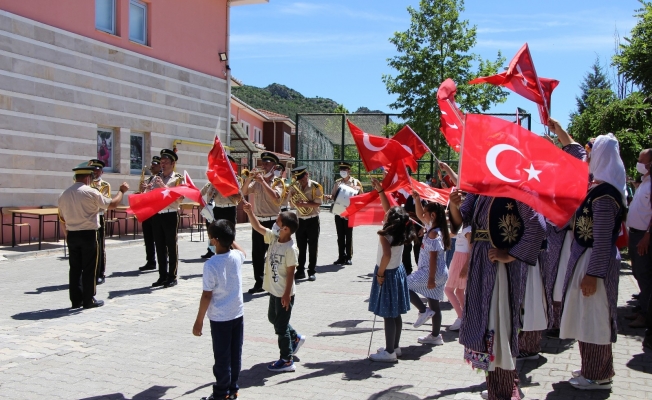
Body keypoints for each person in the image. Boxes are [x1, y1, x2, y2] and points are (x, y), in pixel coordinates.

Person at [449, 190, 545, 400]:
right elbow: (461, 219)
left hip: (500, 270)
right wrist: (453, 204)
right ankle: (500, 388)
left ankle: (504, 390)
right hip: (481, 265)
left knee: (499, 327)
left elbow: (536, 226)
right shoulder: (481, 188)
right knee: (487, 328)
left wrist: (510, 255)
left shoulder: (518, 188)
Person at [559, 133, 627, 390]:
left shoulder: (605, 195)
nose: (587, 157)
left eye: (590, 153)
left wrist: (593, 275)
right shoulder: (599, 188)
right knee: (585, 317)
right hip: (585, 260)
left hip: (593, 263)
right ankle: (592, 368)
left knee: (595, 319)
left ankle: (598, 375)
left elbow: (601, 240)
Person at [242, 201, 306, 372]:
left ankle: (286, 360)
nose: (275, 224)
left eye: (278, 222)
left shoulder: (291, 249)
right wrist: (250, 212)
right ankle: (295, 338)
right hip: (273, 290)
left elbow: (291, 273)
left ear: (286, 228)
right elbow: (259, 227)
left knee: (280, 327)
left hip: (284, 293)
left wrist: (286, 295)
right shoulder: (275, 238)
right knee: (273, 318)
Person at [58, 162, 128, 309]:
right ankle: (89, 299)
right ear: (89, 178)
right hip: (88, 234)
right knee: (90, 267)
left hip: (72, 234)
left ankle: (76, 300)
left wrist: (67, 235)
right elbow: (112, 204)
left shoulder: (64, 194)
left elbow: (62, 218)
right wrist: (121, 191)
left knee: (75, 268)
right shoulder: (91, 192)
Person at [543, 118, 588, 339]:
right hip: (549, 234)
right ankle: (550, 320)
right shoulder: (548, 171)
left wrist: (559, 129)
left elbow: (576, 153)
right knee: (549, 280)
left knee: (561, 280)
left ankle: (560, 322)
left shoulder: (576, 173)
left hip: (566, 235)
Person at [193, 220, 246, 400]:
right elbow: (243, 252)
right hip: (237, 314)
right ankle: (233, 388)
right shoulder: (237, 257)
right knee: (235, 354)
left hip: (220, 318)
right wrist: (231, 240)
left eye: (210, 238)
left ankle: (221, 393)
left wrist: (198, 320)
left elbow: (207, 295)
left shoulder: (211, 265)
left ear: (215, 241)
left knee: (222, 357)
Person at [368, 178, 416, 363]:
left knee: (388, 314)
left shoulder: (385, 234)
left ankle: (389, 353)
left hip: (387, 273)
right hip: (398, 272)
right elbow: (389, 208)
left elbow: (385, 256)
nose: (385, 214)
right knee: (395, 314)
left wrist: (380, 273)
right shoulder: (401, 231)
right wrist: (381, 191)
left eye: (388, 214)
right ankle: (395, 347)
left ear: (391, 220)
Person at [407, 196, 450, 346]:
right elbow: (419, 215)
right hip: (441, 273)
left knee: (403, 285)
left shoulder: (433, 233)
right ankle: (436, 336)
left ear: (432, 215)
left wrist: (431, 278)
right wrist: (417, 200)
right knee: (434, 304)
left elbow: (433, 258)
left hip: (431, 272)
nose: (422, 215)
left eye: (426, 213)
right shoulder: (435, 228)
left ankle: (422, 310)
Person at [241, 152, 285, 294]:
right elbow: (243, 191)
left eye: (267, 164)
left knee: (274, 253)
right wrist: (249, 178)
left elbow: (275, 196)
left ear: (274, 166)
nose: (263, 166)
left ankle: (275, 282)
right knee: (257, 254)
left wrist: (263, 182)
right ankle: (259, 282)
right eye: (263, 163)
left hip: (274, 221)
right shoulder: (257, 181)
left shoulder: (278, 182)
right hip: (259, 221)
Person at [150, 149, 185, 288]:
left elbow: (180, 198)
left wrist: (163, 186)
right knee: (159, 245)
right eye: (161, 162)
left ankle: (172, 276)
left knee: (171, 245)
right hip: (157, 214)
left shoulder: (177, 178)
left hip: (170, 213)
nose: (162, 164)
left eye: (165, 162)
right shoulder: (155, 177)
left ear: (173, 163)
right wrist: (147, 189)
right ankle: (162, 275)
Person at [627, 149, 651, 329]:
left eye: (641, 161)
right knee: (637, 273)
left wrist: (647, 236)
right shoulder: (644, 182)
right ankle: (642, 307)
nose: (639, 163)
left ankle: (645, 315)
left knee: (644, 275)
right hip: (635, 234)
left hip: (643, 237)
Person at [200, 155, 241, 259]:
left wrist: (225, 187)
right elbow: (200, 193)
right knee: (213, 230)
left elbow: (239, 196)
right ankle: (211, 250)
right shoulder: (214, 180)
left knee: (228, 231)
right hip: (215, 208)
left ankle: (230, 251)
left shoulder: (235, 180)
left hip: (229, 208)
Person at [288, 166, 323, 281]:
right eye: (298, 178)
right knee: (300, 247)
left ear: (307, 175)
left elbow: (318, 203)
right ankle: (300, 270)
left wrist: (304, 204)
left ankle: (312, 271)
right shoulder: (295, 186)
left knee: (313, 247)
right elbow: (292, 205)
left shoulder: (315, 186)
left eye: (302, 177)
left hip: (312, 219)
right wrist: (292, 198)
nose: (300, 180)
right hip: (300, 220)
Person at [330, 162, 363, 265]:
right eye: (341, 170)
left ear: (349, 171)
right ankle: (341, 256)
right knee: (340, 236)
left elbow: (361, 196)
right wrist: (329, 197)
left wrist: (357, 190)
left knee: (348, 235)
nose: (342, 172)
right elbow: (333, 196)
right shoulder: (338, 183)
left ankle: (348, 256)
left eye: (345, 170)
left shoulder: (356, 182)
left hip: (350, 213)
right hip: (339, 212)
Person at [444, 225, 471, 332]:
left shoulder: (468, 230)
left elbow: (471, 248)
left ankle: (461, 317)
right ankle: (466, 317)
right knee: (459, 291)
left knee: (448, 289)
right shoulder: (461, 228)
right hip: (457, 258)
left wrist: (466, 266)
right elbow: (449, 235)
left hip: (462, 260)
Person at [89, 159, 111, 285]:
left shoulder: (105, 185)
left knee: (100, 245)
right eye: (93, 170)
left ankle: (100, 272)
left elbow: (103, 204)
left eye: (97, 170)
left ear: (101, 172)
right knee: (90, 246)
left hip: (99, 216)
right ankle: (90, 272)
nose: (95, 173)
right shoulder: (86, 184)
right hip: (88, 217)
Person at [139, 156, 161, 271]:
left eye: (154, 165)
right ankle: (150, 261)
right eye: (151, 165)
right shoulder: (148, 180)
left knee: (159, 238)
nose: (152, 167)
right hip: (147, 212)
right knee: (148, 238)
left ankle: (163, 259)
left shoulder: (161, 179)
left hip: (157, 212)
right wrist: (142, 190)